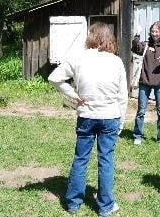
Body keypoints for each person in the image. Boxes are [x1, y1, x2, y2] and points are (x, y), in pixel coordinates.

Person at [48, 23, 127, 217]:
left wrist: (73, 95)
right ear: (108, 39)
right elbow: (123, 96)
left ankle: (73, 203)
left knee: (81, 158)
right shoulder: (116, 61)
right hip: (110, 117)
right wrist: (122, 122)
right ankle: (105, 205)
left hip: (86, 116)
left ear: (91, 37)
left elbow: (54, 78)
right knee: (106, 160)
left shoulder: (77, 57)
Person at [131, 21, 160, 145]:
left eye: (157, 31)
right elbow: (135, 48)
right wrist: (137, 35)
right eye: (153, 31)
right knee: (141, 111)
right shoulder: (145, 45)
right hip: (145, 81)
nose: (154, 33)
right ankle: (137, 135)